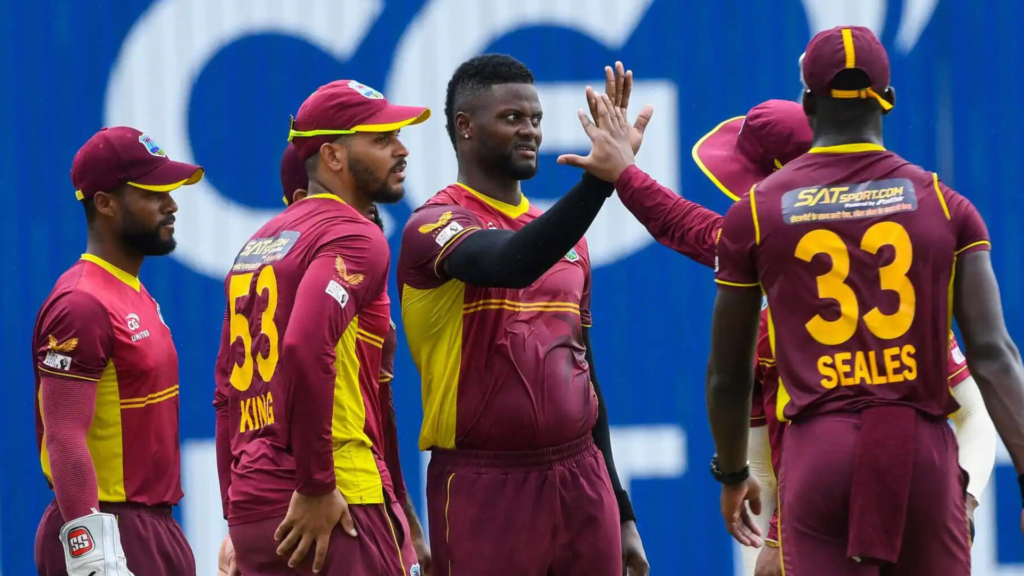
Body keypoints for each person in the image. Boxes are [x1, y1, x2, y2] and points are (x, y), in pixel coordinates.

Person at [593, 73, 996, 573]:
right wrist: (967, 504)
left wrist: (625, 175)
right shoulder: (911, 254)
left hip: (820, 491)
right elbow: (978, 403)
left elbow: (694, 234)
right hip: (917, 479)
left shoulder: (765, 248)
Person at [705, 26, 1024, 575]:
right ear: (889, 101)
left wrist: (734, 475)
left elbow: (728, 374)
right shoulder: (948, 207)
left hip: (818, 452)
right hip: (919, 449)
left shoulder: (756, 212)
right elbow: (994, 356)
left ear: (807, 102)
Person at [397, 54, 650, 576]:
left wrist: (621, 511)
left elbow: (588, 378)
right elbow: (512, 263)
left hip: (582, 479)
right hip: (483, 484)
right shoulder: (432, 225)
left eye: (535, 119)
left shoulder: (569, 240)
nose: (530, 130)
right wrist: (600, 181)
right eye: (512, 118)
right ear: (465, 127)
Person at [213, 80, 430, 575]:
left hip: (257, 507)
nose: (402, 149)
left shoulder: (256, 245)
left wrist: (235, 513)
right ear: (332, 155)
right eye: (381, 139)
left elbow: (226, 396)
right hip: (333, 500)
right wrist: (314, 484)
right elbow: (306, 346)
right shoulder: (355, 233)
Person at [33, 126, 203, 576]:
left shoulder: (132, 292)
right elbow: (64, 435)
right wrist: (93, 556)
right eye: (153, 193)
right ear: (105, 203)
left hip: (155, 528)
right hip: (110, 529)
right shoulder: (82, 303)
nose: (172, 204)